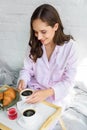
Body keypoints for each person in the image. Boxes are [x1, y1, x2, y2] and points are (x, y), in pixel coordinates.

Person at [18, 4, 77, 110]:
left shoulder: (70, 47)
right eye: (36, 32)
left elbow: (69, 81)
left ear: (55, 26)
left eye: (43, 32)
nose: (39, 37)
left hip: (56, 94)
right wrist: (23, 80)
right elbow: (27, 69)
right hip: (35, 90)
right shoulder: (34, 43)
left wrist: (48, 92)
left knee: (44, 121)